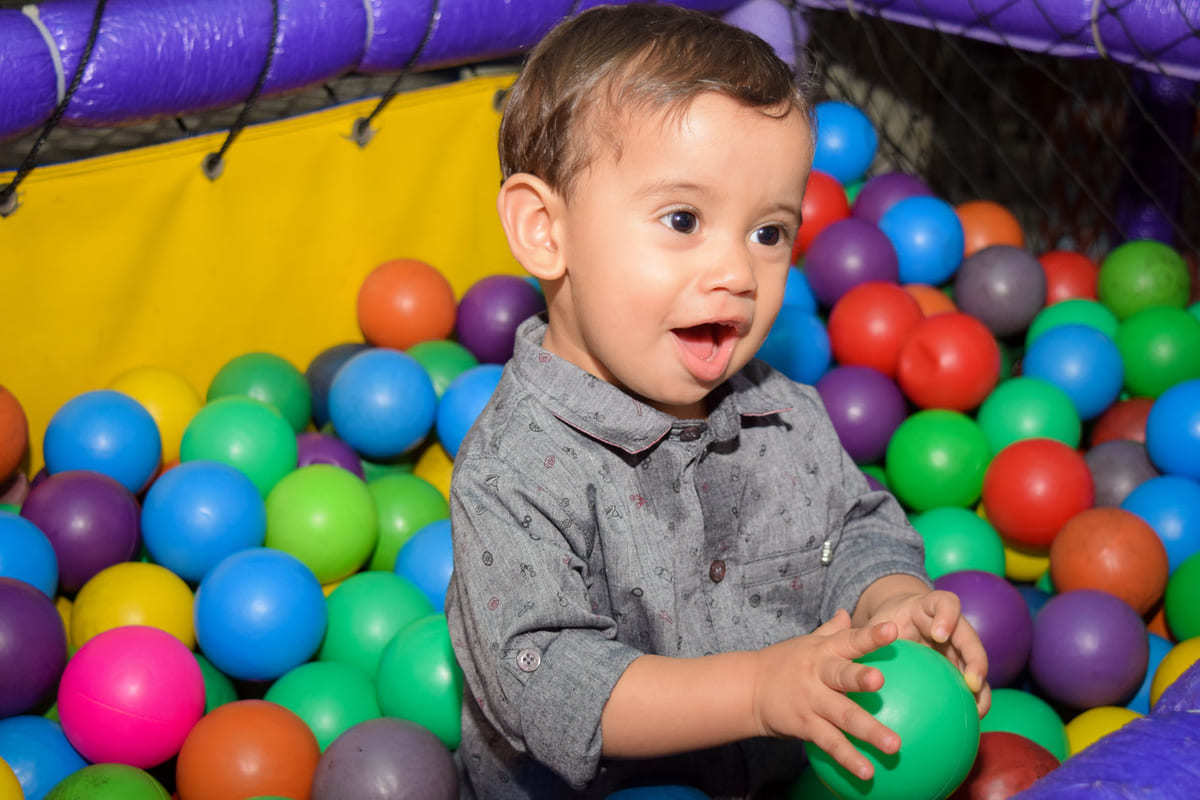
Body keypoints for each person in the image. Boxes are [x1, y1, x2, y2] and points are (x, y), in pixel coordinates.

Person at [445, 5, 989, 798]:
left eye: (769, 232)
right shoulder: (513, 471)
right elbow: (546, 681)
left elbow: (855, 527)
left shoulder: (786, 414)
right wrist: (759, 692)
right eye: (683, 219)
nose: (737, 271)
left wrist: (892, 602)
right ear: (543, 230)